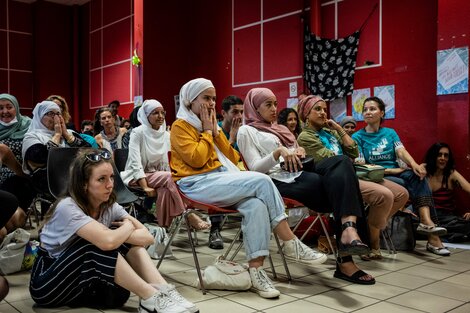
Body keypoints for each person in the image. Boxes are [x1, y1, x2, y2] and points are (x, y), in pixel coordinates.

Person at [171, 78, 327, 298]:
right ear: (190, 100)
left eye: (214, 98)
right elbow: (196, 160)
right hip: (195, 183)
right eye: (206, 98)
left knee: (256, 206)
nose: (211, 103)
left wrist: (218, 134)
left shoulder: (211, 126)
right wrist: (207, 132)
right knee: (262, 180)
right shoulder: (180, 126)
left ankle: (256, 271)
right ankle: (290, 242)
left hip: (219, 179)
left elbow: (232, 157)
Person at [29, 148, 197, 312]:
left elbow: (147, 238)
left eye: (111, 177)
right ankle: (150, 296)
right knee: (94, 244)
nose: (110, 185)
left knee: (124, 250)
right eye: (101, 179)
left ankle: (164, 290)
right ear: (84, 184)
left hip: (81, 280)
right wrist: (130, 225)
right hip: (47, 282)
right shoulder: (68, 207)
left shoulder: (109, 205)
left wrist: (120, 234)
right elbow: (108, 242)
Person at [237, 87, 375, 285]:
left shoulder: (280, 129)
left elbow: (295, 155)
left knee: (343, 163)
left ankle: (348, 229)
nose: (275, 108)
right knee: (341, 188)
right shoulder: (246, 131)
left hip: (298, 174)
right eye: (268, 104)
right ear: (254, 108)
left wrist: (298, 150)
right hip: (273, 182)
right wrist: (278, 153)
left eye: (276, 103)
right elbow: (255, 170)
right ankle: (347, 252)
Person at [296, 96, 408, 260]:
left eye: (324, 109)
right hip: (335, 180)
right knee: (385, 195)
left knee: (402, 194)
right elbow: (332, 158)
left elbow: (353, 152)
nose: (323, 113)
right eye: (317, 109)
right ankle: (372, 241)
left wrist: (339, 129)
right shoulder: (306, 137)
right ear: (306, 114)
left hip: (352, 172)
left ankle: (370, 227)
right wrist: (346, 158)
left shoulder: (330, 132)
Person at [352, 96, 450, 256]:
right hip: (377, 177)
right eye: (365, 109)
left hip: (397, 174)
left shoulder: (390, 133)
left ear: (382, 113)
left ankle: (426, 222)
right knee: (413, 183)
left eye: (372, 109)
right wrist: (392, 171)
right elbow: (363, 167)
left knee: (419, 176)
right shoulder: (358, 137)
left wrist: (415, 165)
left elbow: (401, 151)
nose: (368, 112)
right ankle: (431, 232)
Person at [121, 99, 209, 229]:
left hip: (160, 176)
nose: (160, 116)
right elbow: (135, 161)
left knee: (165, 190)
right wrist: (145, 187)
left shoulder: (166, 134)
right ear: (146, 116)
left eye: (162, 112)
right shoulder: (138, 132)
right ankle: (187, 214)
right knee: (169, 177)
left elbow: (169, 162)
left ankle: (163, 228)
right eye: (155, 113)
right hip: (137, 177)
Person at [22, 100, 90, 194]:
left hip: (77, 176)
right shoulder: (32, 136)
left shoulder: (70, 133)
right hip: (50, 181)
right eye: (50, 113)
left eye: (58, 113)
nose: (55, 117)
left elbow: (89, 152)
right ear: (40, 117)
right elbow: (40, 158)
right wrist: (57, 135)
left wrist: (66, 135)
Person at [208, 95, 244, 250]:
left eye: (242, 112)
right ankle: (215, 229)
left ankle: (247, 227)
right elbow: (216, 159)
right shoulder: (216, 130)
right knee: (218, 177)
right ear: (224, 113)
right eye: (235, 112)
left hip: (239, 170)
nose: (240, 116)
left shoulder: (245, 131)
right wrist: (232, 138)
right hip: (218, 171)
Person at [425, 142, 470, 242]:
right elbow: (410, 193)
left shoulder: (451, 174)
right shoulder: (423, 171)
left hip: (447, 218)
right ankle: (444, 234)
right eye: (439, 155)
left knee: (466, 225)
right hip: (426, 217)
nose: (443, 158)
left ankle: (439, 233)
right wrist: (406, 209)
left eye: (446, 155)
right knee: (409, 223)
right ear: (433, 156)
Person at [0, 93, 35, 218]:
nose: (5, 111)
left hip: (20, 176)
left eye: (9, 107)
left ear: (16, 108)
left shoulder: (30, 126)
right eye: (1, 108)